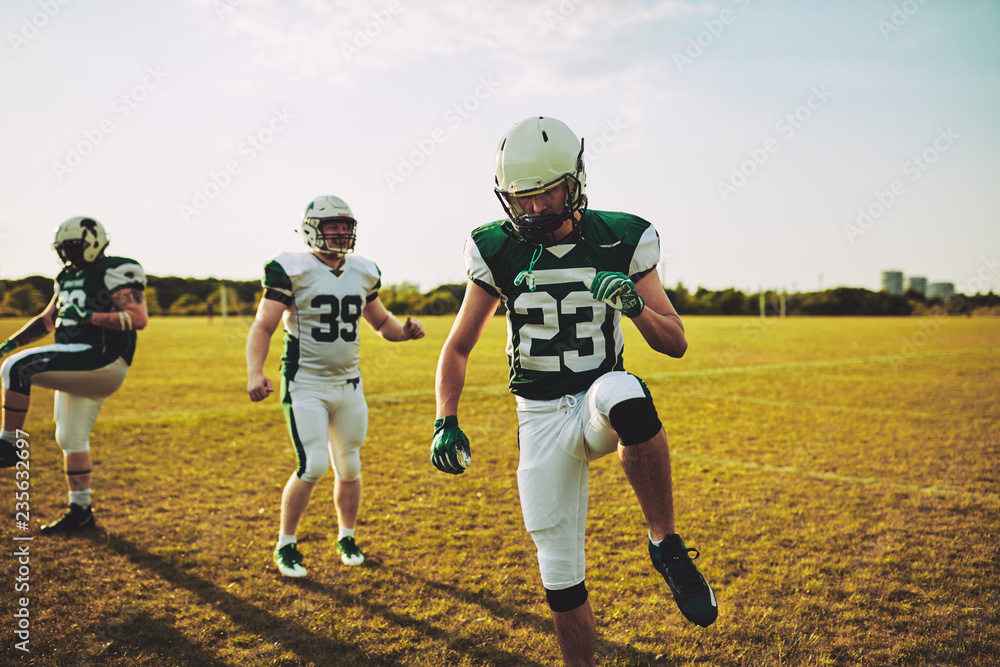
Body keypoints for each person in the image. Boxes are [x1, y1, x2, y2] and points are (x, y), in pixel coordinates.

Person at [431, 117, 718, 665]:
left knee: (625, 393)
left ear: (575, 181)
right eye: (523, 199)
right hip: (538, 418)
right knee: (560, 573)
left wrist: (635, 311)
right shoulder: (496, 247)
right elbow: (457, 347)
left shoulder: (620, 237)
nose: (534, 210)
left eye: (546, 195)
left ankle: (667, 546)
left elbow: (676, 342)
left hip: (595, 403)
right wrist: (446, 416)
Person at [247, 195, 425, 578]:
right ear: (313, 227)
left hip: (349, 385)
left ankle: (346, 536)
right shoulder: (291, 268)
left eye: (346, 226)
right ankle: (286, 543)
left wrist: (405, 333)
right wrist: (254, 371)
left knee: (349, 466)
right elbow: (264, 325)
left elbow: (380, 323)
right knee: (311, 465)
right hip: (305, 383)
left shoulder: (363, 270)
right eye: (333, 226)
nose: (342, 233)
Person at [0, 216, 148, 533]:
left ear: (94, 242)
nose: (68, 254)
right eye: (64, 249)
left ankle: (9, 442)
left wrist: (89, 316)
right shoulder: (66, 277)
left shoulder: (116, 270)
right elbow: (47, 320)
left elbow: (138, 318)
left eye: (73, 247)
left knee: (17, 368)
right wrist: (11, 342)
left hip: (102, 358)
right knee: (70, 437)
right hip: (77, 363)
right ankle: (81, 511)